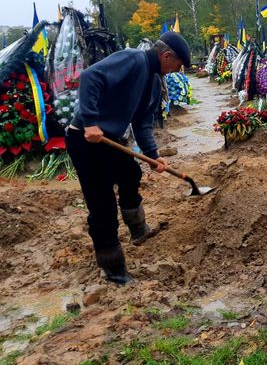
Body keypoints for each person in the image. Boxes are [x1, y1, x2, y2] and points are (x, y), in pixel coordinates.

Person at [66, 31, 191, 284]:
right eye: (177, 66)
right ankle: (113, 269)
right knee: (102, 206)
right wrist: (90, 122)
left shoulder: (154, 82)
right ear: (166, 55)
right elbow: (90, 76)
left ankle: (137, 229)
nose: (176, 71)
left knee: (130, 173)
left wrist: (153, 155)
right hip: (86, 139)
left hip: (110, 140)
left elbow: (142, 122)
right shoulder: (133, 59)